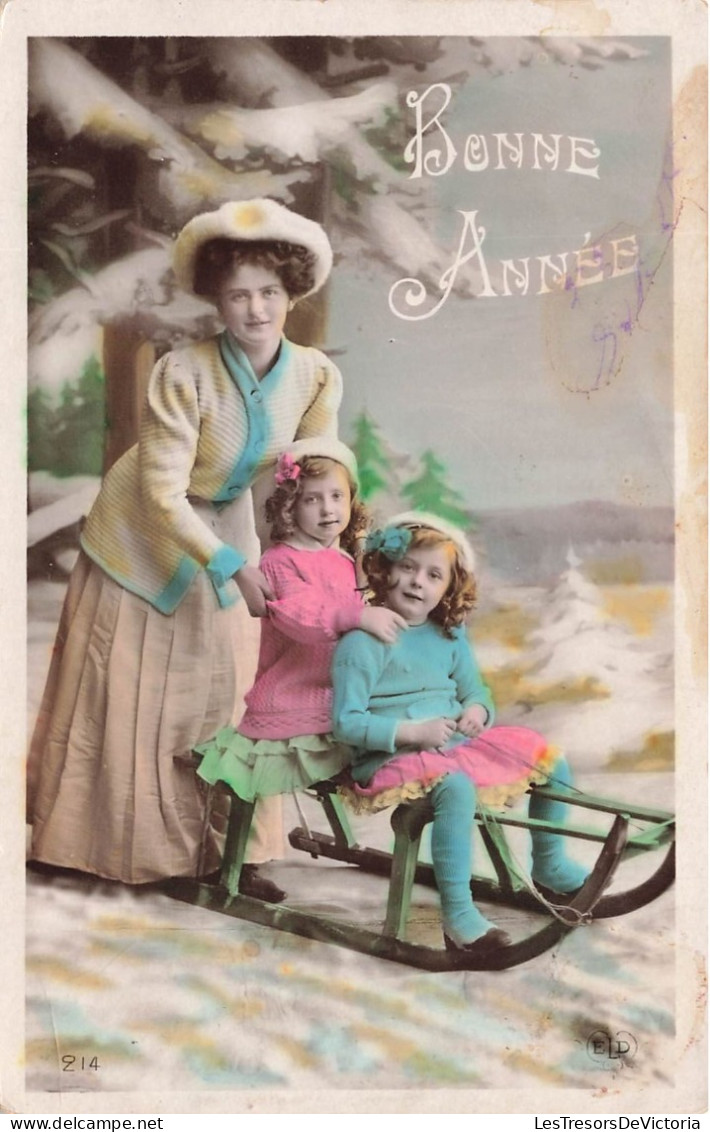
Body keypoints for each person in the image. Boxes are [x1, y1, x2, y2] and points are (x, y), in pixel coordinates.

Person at [27, 197, 347, 889]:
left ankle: (234, 851)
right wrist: (233, 565)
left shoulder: (316, 375)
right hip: (143, 536)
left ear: (291, 293)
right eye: (238, 295)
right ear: (217, 302)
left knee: (232, 692)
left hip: (229, 528)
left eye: (269, 292)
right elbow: (161, 492)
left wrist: (313, 561)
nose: (256, 310)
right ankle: (115, 850)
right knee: (142, 690)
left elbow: (311, 477)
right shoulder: (183, 371)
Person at [331, 512, 589, 958]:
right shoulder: (364, 641)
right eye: (408, 567)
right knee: (455, 788)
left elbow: (476, 690)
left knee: (548, 758)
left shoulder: (448, 635)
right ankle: (459, 913)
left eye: (434, 575)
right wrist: (412, 730)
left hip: (453, 745)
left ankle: (549, 864)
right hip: (390, 755)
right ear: (385, 569)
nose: (417, 582)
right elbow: (346, 723)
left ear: (449, 587)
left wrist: (477, 710)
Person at [193, 438, 406, 899]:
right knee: (256, 776)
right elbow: (297, 615)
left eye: (337, 497)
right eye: (312, 499)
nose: (328, 509)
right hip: (293, 695)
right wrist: (354, 615)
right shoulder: (279, 561)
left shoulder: (345, 559)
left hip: (340, 692)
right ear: (290, 507)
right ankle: (237, 866)